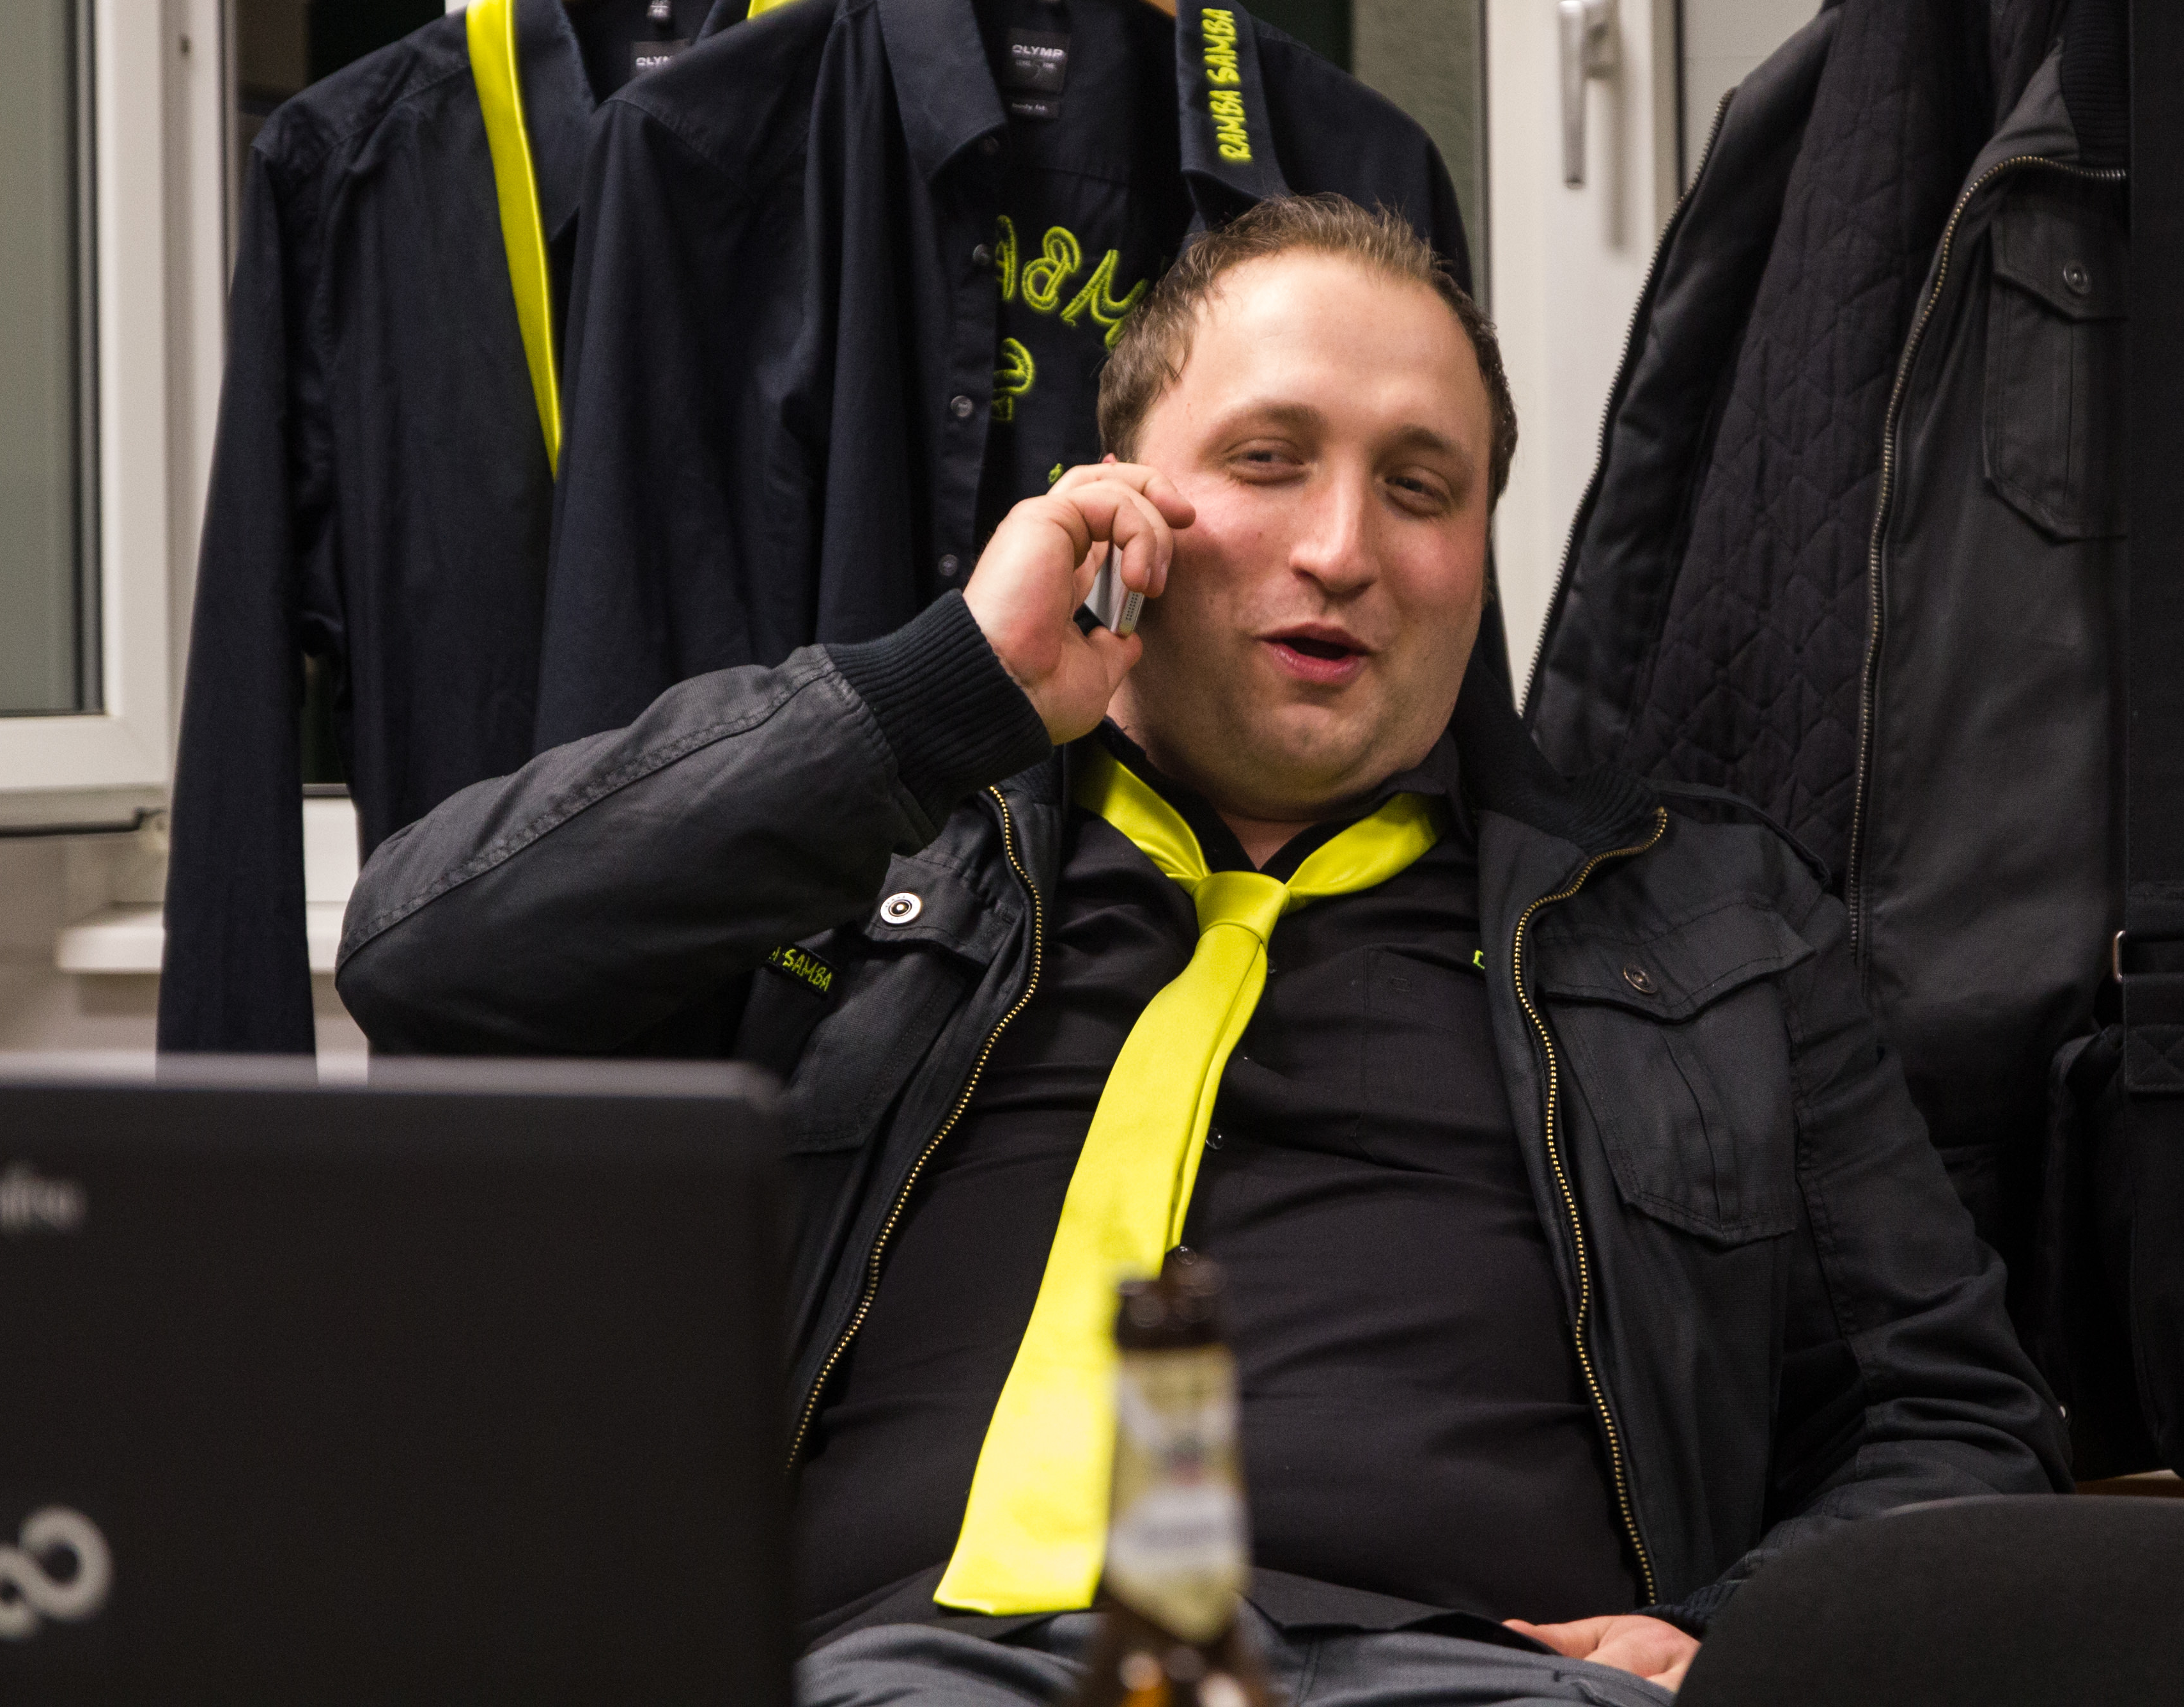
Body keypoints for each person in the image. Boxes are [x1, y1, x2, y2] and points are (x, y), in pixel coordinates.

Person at [337, 196, 2068, 1705]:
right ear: (1114, 505)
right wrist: (938, 700)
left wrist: (1730, 1637)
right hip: (906, 1675)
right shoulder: (873, 861)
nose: (1342, 549)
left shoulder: (1713, 925)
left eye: (1421, 488)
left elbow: (1956, 1420)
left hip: (1469, 1679)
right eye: (1267, 460)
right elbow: (431, 964)